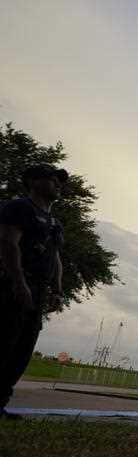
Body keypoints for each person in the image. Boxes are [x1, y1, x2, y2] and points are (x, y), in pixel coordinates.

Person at [0, 164, 67, 420]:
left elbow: (56, 256)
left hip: (39, 289)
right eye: (53, 179)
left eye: (60, 181)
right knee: (5, 341)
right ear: (33, 181)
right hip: (14, 284)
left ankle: (1, 401)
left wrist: (58, 289)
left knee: (22, 348)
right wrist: (18, 282)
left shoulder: (54, 222)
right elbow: (8, 242)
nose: (58, 184)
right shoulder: (19, 208)